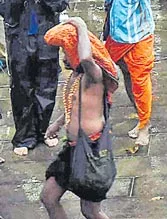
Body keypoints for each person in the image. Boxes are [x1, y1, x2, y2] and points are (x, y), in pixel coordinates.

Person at [71, 0, 158, 147]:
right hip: (114, 35)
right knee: (108, 75)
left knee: (140, 81)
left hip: (139, 35)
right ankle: (99, 120)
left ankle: (144, 124)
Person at [41, 17, 120, 219]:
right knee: (48, 197)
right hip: (72, 148)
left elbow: (86, 59)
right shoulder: (76, 76)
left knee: (90, 211)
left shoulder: (94, 74)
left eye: (66, 50)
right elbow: (75, 105)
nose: (63, 56)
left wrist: (81, 26)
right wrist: (58, 124)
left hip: (92, 151)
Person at [1, 0, 70, 156]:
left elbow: (61, 3)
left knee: (47, 85)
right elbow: (5, 11)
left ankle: (43, 131)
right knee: (21, 87)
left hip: (45, 37)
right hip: (20, 38)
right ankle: (23, 136)